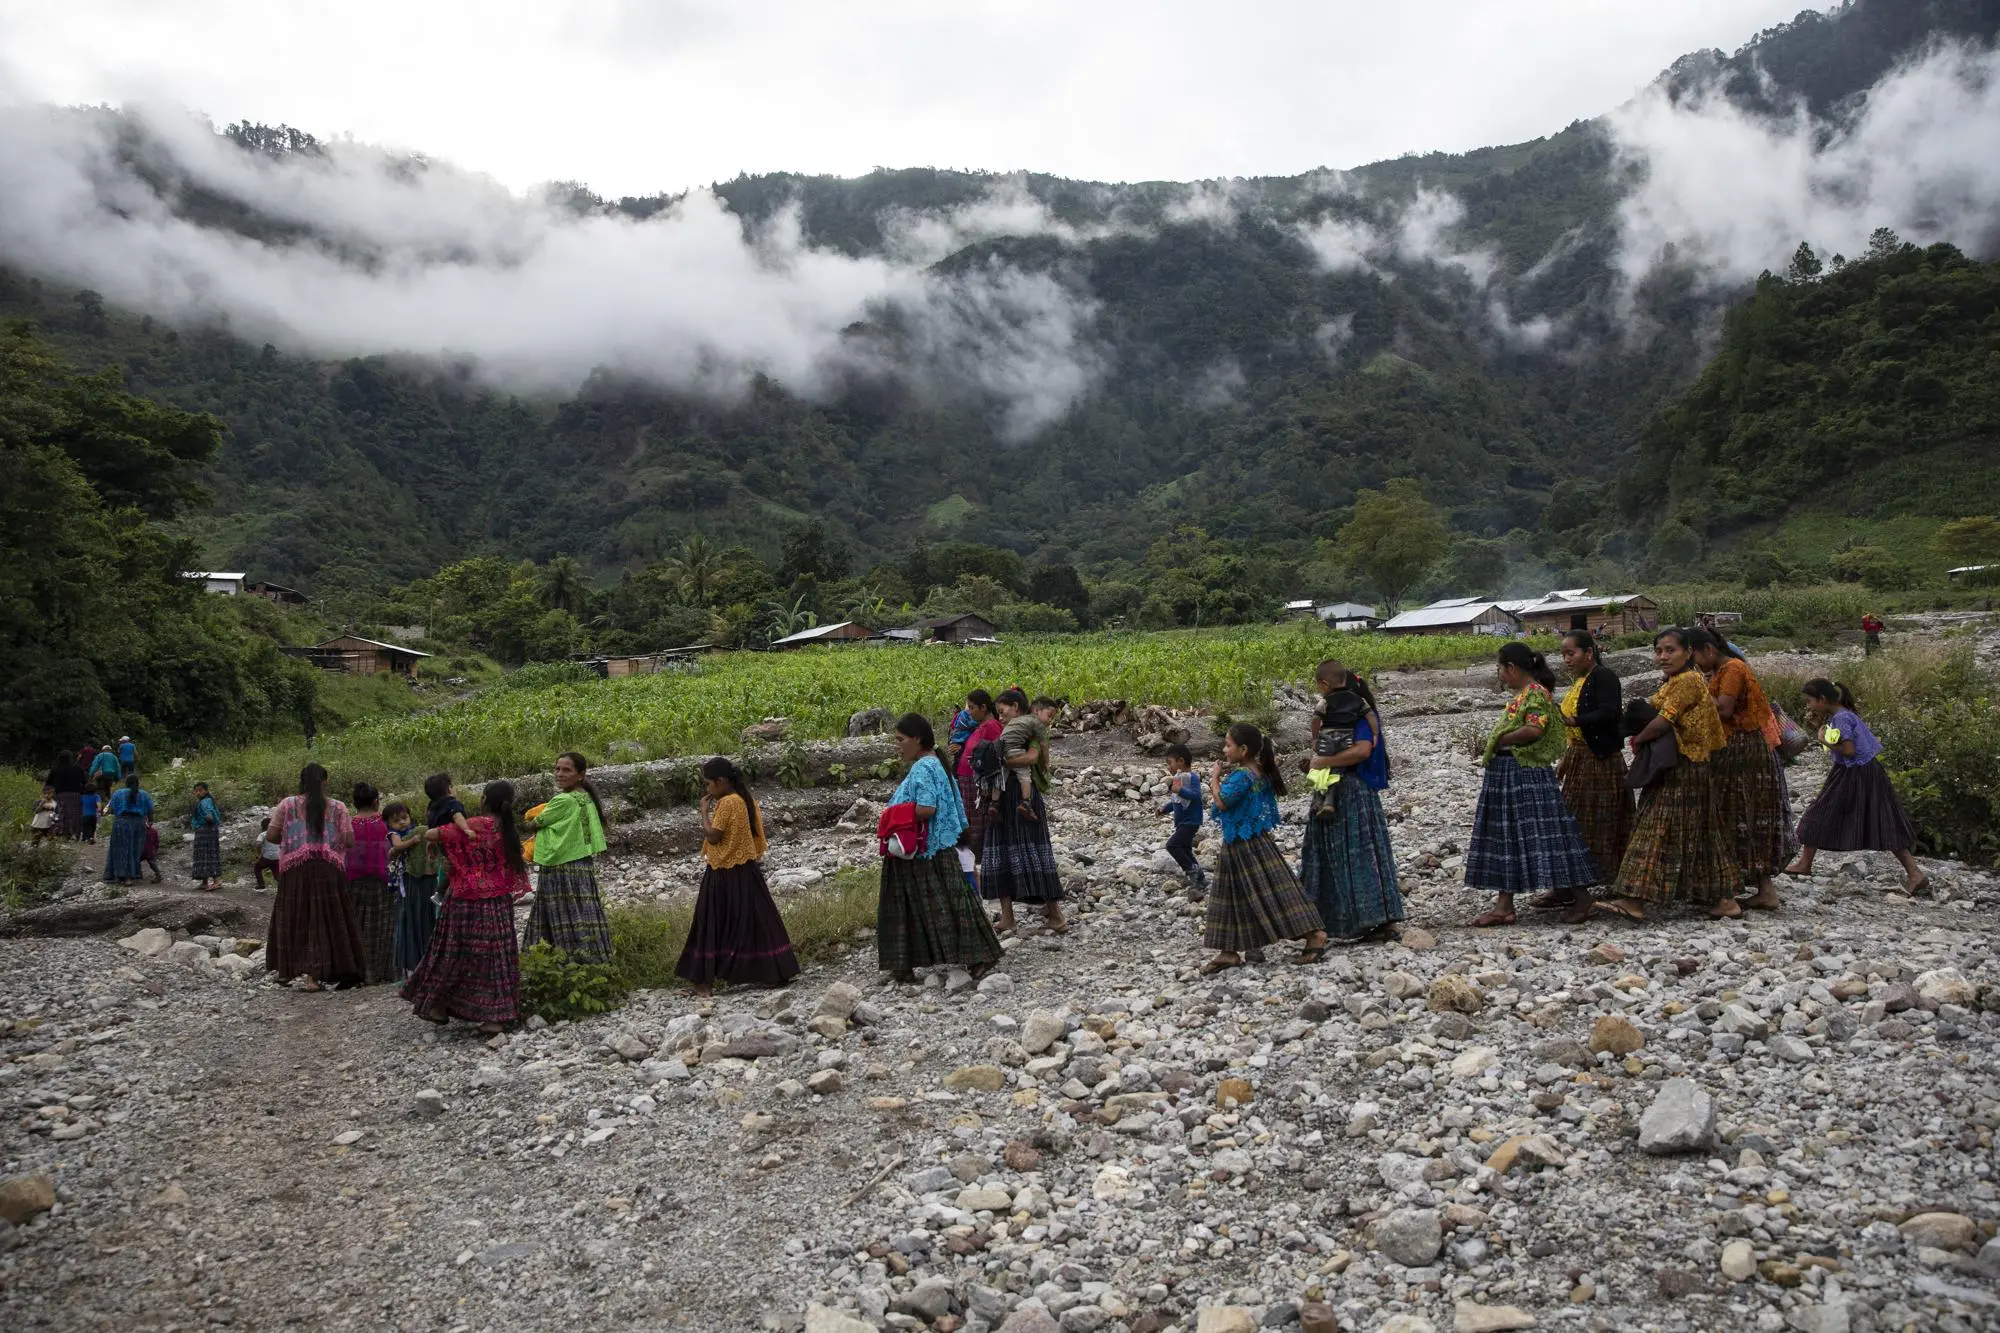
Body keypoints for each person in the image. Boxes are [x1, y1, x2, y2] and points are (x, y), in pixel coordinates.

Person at [1596, 628, 1742, 922]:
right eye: (1659, 650)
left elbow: (1664, 720)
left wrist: (1637, 740)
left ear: (1688, 652)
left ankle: (1635, 899)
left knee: (1654, 826)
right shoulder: (1676, 680)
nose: (1663, 656)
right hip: (1685, 765)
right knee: (1700, 830)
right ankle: (1724, 900)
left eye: (1670, 650)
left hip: (1685, 766)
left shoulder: (1687, 680)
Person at [1464, 643, 1600, 927]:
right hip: (1511, 774)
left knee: (1546, 833)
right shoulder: (1526, 694)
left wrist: (1500, 740)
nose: (1500, 674)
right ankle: (1504, 906)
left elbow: (1534, 729)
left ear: (1511, 668)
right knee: (1509, 836)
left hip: (1524, 774)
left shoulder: (1535, 694)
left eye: (1500, 668)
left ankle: (1582, 898)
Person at [876, 713, 1004, 984]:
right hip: (938, 846)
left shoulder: (923, 767)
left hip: (922, 849)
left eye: (900, 740)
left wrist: (890, 815)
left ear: (917, 739)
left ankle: (905, 964)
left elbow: (927, 808)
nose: (897, 745)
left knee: (910, 906)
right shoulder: (936, 763)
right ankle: (976, 955)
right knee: (948, 903)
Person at [402, 780, 530, 1033]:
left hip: (465, 901)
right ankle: (495, 1017)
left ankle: (438, 1005)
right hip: (499, 905)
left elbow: (432, 834)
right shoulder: (507, 829)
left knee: (453, 954)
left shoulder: (475, 825)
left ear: (483, 800)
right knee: (496, 958)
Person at [1201, 722, 1327, 973]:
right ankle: (1229, 951)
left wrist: (1214, 779)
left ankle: (1314, 934)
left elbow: (1223, 803)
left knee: (1268, 893)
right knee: (1236, 894)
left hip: (1243, 844)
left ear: (1244, 749)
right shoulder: (1260, 772)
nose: (1225, 750)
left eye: (1228, 745)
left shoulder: (1241, 777)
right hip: (1256, 841)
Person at [1785, 680, 1926, 894]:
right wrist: (1819, 728)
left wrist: (1822, 739)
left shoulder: (1841, 718)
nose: (1809, 706)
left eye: (1810, 701)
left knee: (1819, 812)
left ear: (1823, 700)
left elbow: (1848, 750)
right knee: (1881, 820)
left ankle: (1805, 864)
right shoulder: (1842, 714)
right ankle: (1914, 873)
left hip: (1855, 773)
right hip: (1862, 771)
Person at [676, 756, 799, 994]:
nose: (707, 789)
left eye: (708, 784)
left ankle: (703, 983)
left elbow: (713, 836)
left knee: (710, 921)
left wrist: (704, 812)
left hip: (724, 871)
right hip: (745, 870)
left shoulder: (728, 802)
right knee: (755, 920)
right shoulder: (743, 798)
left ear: (721, 781)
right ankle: (774, 971)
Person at [1688, 629, 1786, 911]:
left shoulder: (1731, 669)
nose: (1696, 663)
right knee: (1749, 815)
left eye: (1694, 655)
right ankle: (1764, 891)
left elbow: (1724, 709)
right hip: (1747, 747)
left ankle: (1727, 894)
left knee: (1733, 813)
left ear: (1707, 649)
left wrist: (1689, 697)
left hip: (1739, 748)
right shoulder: (1725, 669)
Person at [1298, 681, 1401, 942]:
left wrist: (1323, 761)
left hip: (1352, 792)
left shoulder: (1355, 717)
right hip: (1349, 791)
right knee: (1360, 854)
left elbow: (1362, 750)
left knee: (1352, 854)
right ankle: (1359, 920)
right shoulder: (1359, 714)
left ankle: (1364, 920)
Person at [1549, 630, 1632, 921]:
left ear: (1589, 652)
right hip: (1581, 759)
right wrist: (1567, 759)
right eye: (1563, 654)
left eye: (1571, 653)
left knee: (1591, 823)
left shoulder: (1604, 677)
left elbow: (1610, 713)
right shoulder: (1581, 681)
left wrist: (1575, 720)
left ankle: (1585, 892)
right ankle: (1565, 887)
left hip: (1600, 761)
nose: (1566, 659)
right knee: (1572, 821)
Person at [266, 763, 366, 991]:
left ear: (301, 782)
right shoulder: (338, 807)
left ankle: (286, 972)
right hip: (328, 870)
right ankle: (315, 976)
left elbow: (271, 835)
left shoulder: (287, 804)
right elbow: (349, 841)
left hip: (295, 870)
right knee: (325, 919)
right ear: (324, 783)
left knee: (295, 917)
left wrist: (294, 837)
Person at [979, 689, 1067, 934]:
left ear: (1016, 707)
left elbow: (1031, 758)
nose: (1001, 716)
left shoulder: (1032, 731)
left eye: (1003, 711)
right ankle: (1008, 917)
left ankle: (1056, 915)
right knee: (1002, 851)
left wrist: (998, 761)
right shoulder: (1010, 731)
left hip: (1023, 797)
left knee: (1034, 850)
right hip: (1005, 797)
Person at [521, 752, 613, 962]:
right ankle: (592, 962)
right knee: (582, 912)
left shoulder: (562, 800)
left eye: (566, 770)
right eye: (557, 769)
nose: (559, 774)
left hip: (560, 867)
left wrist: (536, 815)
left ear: (580, 775)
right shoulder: (585, 797)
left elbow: (534, 823)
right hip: (581, 865)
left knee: (559, 914)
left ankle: (558, 964)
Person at [345, 783, 397, 984]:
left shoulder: (348, 824)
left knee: (356, 925)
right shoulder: (384, 823)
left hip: (354, 882)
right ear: (376, 801)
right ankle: (381, 971)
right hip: (382, 881)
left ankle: (356, 971)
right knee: (382, 927)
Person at [387, 802, 439, 976]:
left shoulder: (417, 829)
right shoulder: (394, 834)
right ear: (389, 824)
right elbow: (397, 847)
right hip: (407, 876)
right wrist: (412, 841)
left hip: (418, 877)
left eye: (404, 818)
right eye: (397, 820)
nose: (402, 822)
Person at [952, 690, 1002, 852]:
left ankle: (977, 854)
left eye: (972, 708)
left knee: (976, 818)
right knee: (969, 817)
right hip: (967, 778)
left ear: (983, 708)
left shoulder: (992, 727)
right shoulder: (979, 726)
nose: (969, 712)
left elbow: (996, 755)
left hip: (975, 780)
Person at [1159, 743, 1208, 896]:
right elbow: (1176, 799)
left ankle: (1191, 872)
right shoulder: (1178, 778)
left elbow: (1195, 796)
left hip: (1191, 821)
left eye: (1170, 763)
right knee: (1186, 849)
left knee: (1172, 845)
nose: (1169, 766)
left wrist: (1180, 790)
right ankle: (1199, 877)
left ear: (1180, 761)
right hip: (1182, 822)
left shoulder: (1192, 777)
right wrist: (1164, 809)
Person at [102, 774, 153, 886]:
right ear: (137, 783)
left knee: (120, 849)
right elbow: (150, 810)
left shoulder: (118, 793)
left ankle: (120, 875)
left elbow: (112, 810)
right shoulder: (144, 794)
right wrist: (150, 822)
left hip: (121, 823)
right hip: (138, 824)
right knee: (135, 849)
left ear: (126, 783)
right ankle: (132, 874)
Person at [189, 781, 223, 891]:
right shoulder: (206, 801)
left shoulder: (205, 802)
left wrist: (208, 819)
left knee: (208, 854)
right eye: (196, 791)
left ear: (206, 791)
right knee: (205, 854)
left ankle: (217, 881)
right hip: (206, 831)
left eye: (200, 790)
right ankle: (205, 882)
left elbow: (209, 815)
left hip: (206, 831)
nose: (198, 792)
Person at [46, 752, 86, 842]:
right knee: (75, 814)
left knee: (61, 814)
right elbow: (84, 781)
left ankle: (61, 832)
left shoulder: (55, 769)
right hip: (75, 794)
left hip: (60, 794)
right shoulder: (77, 768)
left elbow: (48, 783)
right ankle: (75, 833)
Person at [252, 821, 281, 892]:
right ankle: (283, 886)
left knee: (257, 868)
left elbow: (258, 844)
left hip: (267, 857)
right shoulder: (277, 833)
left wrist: (258, 854)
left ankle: (261, 885)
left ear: (262, 826)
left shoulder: (263, 834)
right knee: (276, 872)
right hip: (277, 857)